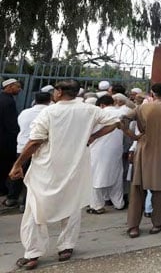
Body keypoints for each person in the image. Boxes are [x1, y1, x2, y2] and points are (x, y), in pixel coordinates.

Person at [9, 80, 120, 270]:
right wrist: (92, 137)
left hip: (47, 169)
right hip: (75, 167)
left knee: (35, 210)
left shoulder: (49, 112)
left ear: (59, 92)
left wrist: (18, 164)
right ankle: (66, 247)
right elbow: (115, 122)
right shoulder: (89, 109)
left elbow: (35, 141)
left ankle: (33, 253)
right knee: (72, 206)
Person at [126, 83, 161, 238]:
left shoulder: (142, 108)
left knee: (137, 188)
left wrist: (133, 136)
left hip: (143, 149)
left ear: (152, 93)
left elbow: (122, 120)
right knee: (160, 189)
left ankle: (133, 226)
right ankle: (158, 223)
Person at [4, 91, 50, 211]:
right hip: (39, 149)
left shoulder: (25, 113)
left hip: (22, 147)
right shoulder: (49, 113)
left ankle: (11, 198)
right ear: (49, 100)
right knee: (33, 177)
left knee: (18, 173)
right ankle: (25, 203)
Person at [88, 95, 127, 214]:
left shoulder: (98, 114)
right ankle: (119, 203)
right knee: (116, 176)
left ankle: (97, 206)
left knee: (96, 177)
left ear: (101, 105)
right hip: (116, 149)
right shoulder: (121, 113)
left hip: (98, 150)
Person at [1, 78, 21, 200]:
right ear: (9, 87)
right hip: (5, 140)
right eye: (17, 87)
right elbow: (11, 124)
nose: (19, 89)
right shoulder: (8, 101)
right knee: (4, 165)